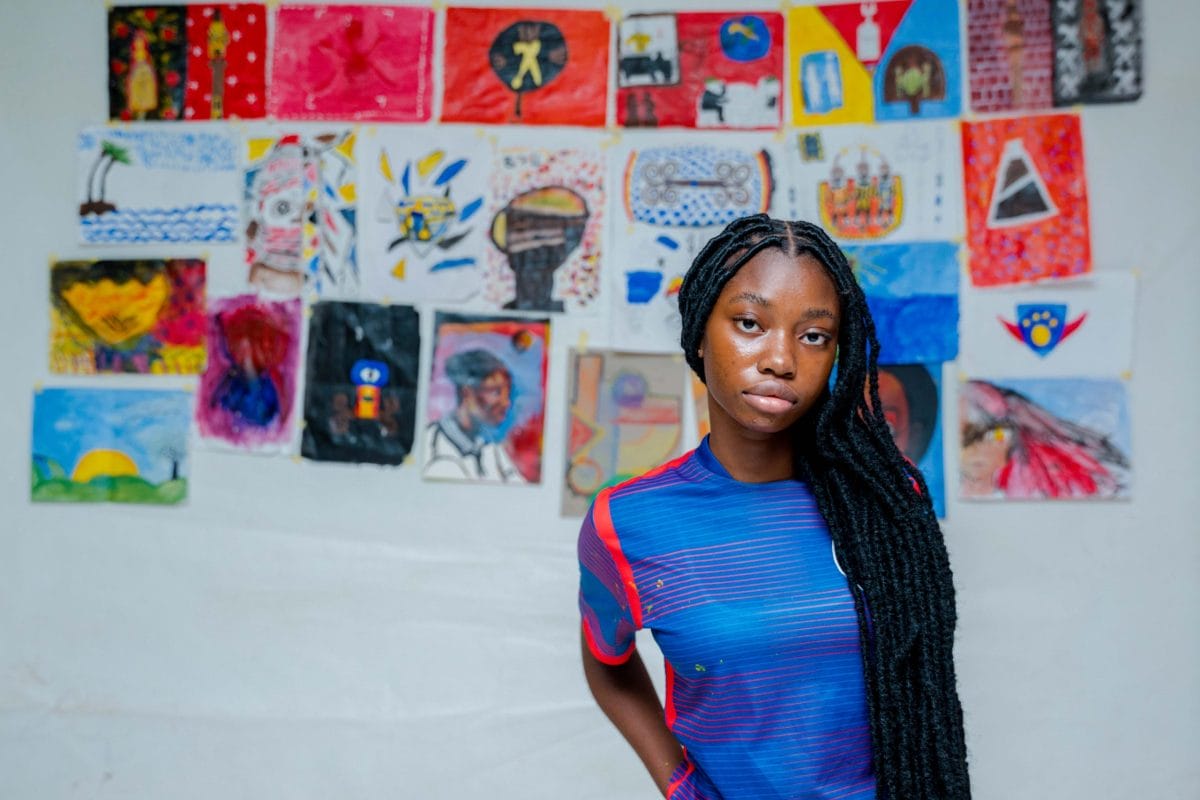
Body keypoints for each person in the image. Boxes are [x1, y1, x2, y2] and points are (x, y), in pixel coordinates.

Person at [578, 215, 970, 799]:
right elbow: (606, 661)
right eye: (749, 323)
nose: (780, 359)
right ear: (699, 332)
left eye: (813, 335)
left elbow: (924, 690)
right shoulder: (629, 521)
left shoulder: (884, 504)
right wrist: (678, 783)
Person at [424, 348, 527, 483]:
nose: (506, 403)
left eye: (507, 393)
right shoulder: (434, 450)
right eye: (496, 392)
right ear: (467, 393)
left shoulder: (490, 449)